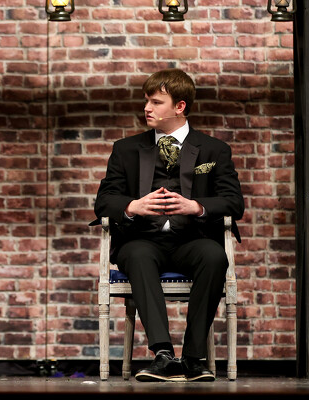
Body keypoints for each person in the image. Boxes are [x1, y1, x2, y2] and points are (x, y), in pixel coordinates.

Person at [93, 68, 244, 382]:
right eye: (146, 101)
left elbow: (234, 203)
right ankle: (162, 354)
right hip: (142, 240)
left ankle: (193, 358)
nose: (146, 108)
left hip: (192, 239)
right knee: (137, 255)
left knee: (214, 256)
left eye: (156, 102)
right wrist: (133, 206)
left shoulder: (214, 150)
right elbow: (104, 201)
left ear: (180, 106)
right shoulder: (126, 149)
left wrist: (196, 206)